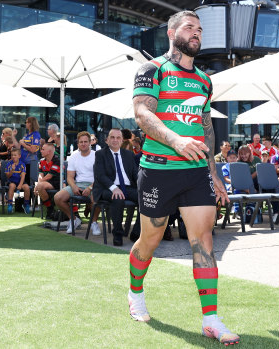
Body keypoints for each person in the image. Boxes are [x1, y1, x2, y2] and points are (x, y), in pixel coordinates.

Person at [132, 10, 239, 345]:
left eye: (200, 29)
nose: (197, 33)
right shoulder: (152, 70)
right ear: (172, 32)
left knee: (203, 241)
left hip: (194, 174)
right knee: (150, 240)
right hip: (157, 172)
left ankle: (211, 319)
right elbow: (141, 112)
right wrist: (176, 140)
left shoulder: (205, 81)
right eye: (190, 28)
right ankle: (135, 292)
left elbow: (206, 131)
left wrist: (213, 172)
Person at [92, 128, 137, 244]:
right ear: (107, 140)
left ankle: (136, 233)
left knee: (147, 199)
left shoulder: (129, 154)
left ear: (122, 141)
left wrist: (143, 188)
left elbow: (135, 174)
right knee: (117, 198)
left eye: (118, 138)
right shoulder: (100, 154)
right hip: (107, 188)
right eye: (112, 137)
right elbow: (100, 175)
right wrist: (114, 188)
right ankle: (118, 234)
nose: (115, 140)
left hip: (128, 187)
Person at [54, 131, 101, 235]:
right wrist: (74, 186)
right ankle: (74, 219)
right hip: (78, 184)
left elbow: (100, 177)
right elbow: (70, 177)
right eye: (81, 142)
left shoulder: (97, 155)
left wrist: (90, 188)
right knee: (58, 197)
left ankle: (94, 222)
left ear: (90, 143)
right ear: (78, 143)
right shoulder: (74, 155)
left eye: (85, 141)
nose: (83, 144)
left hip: (95, 184)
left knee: (96, 198)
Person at [35, 142, 61, 220]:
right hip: (46, 183)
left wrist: (38, 186)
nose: (41, 151)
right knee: (40, 186)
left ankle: (50, 209)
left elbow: (49, 176)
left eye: (43, 149)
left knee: (40, 186)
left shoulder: (57, 160)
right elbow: (40, 175)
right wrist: (38, 184)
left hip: (57, 183)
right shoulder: (42, 160)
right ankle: (50, 209)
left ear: (49, 152)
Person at [4, 148, 31, 214]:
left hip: (20, 181)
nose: (13, 156)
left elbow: (23, 176)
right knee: (12, 186)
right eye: (12, 155)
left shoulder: (22, 164)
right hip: (12, 181)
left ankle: (26, 204)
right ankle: (10, 204)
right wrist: (12, 170)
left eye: (15, 155)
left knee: (27, 187)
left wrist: (20, 185)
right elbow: (8, 176)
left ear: (19, 156)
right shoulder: (9, 164)